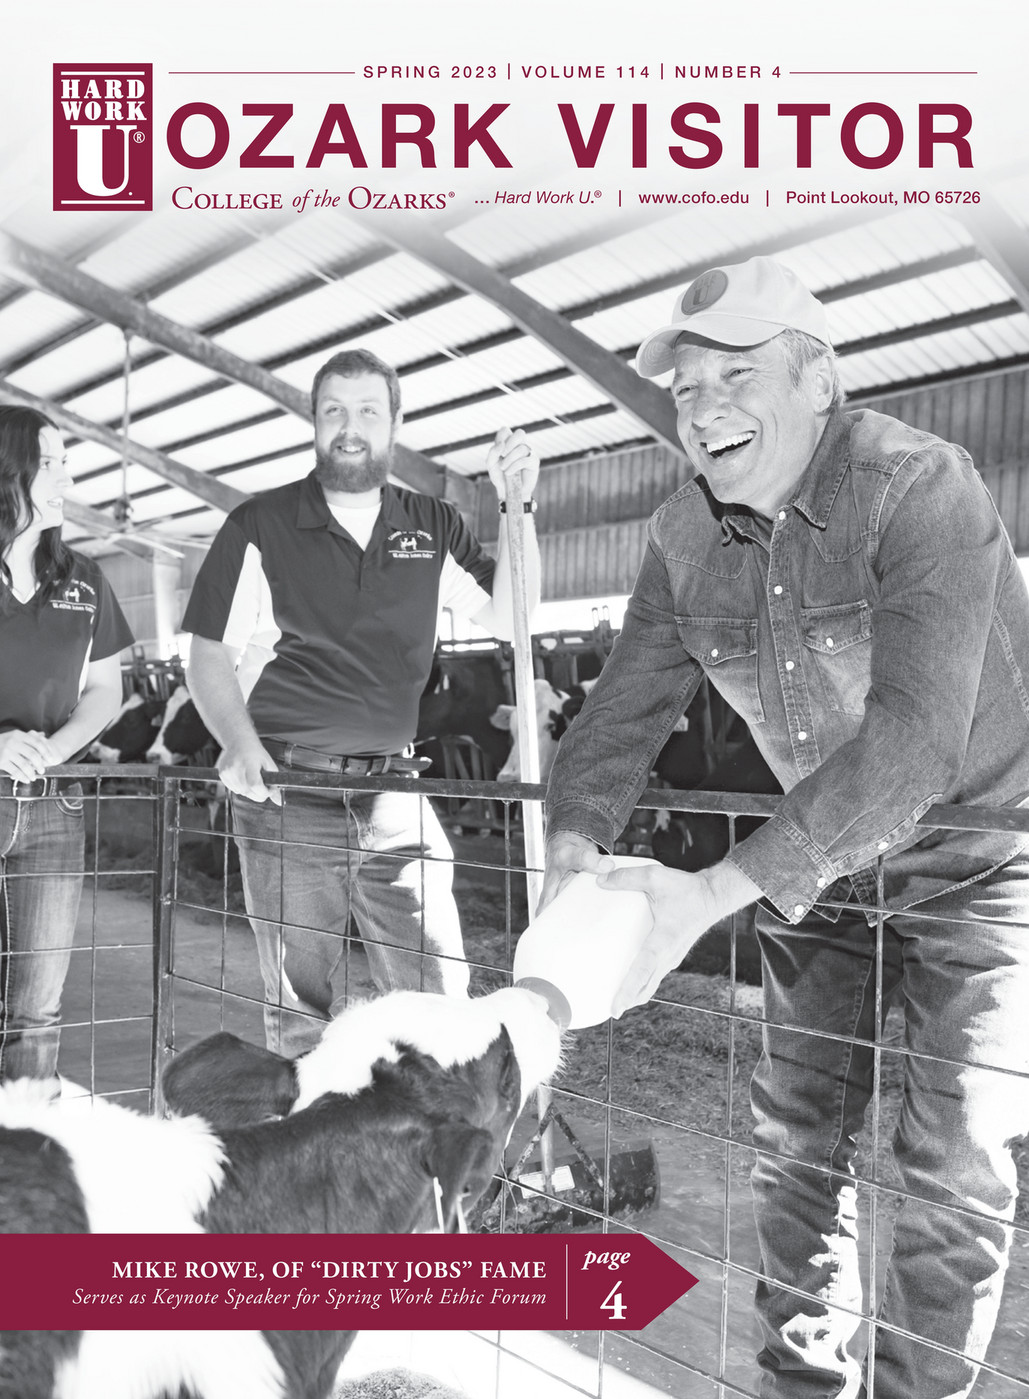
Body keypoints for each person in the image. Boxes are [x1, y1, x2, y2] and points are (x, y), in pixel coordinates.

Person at [542, 257, 1029, 1399]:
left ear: (820, 381)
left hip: (986, 848)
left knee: (952, 1156)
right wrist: (571, 847)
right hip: (822, 850)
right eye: (684, 386)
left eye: (735, 374)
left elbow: (916, 743)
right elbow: (619, 716)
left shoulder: (921, 486)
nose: (703, 407)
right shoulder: (682, 537)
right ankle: (799, 1384)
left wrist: (711, 892)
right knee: (796, 1140)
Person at [183, 347, 540, 1054]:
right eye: (333, 411)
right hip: (287, 791)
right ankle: (314, 1155)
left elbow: (515, 616)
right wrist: (240, 742)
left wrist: (516, 502)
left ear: (394, 423)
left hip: (391, 789)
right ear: (313, 423)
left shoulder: (432, 526)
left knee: (438, 993)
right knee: (301, 1010)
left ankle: (428, 1155)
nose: (350, 427)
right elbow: (206, 653)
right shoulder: (258, 525)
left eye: (368, 411)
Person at [0, 405, 132, 1082]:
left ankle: (19, 1169)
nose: (65, 475)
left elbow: (106, 691)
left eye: (65, 461)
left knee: (36, 1006)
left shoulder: (83, 577)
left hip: (53, 805)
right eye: (49, 461)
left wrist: (58, 748)